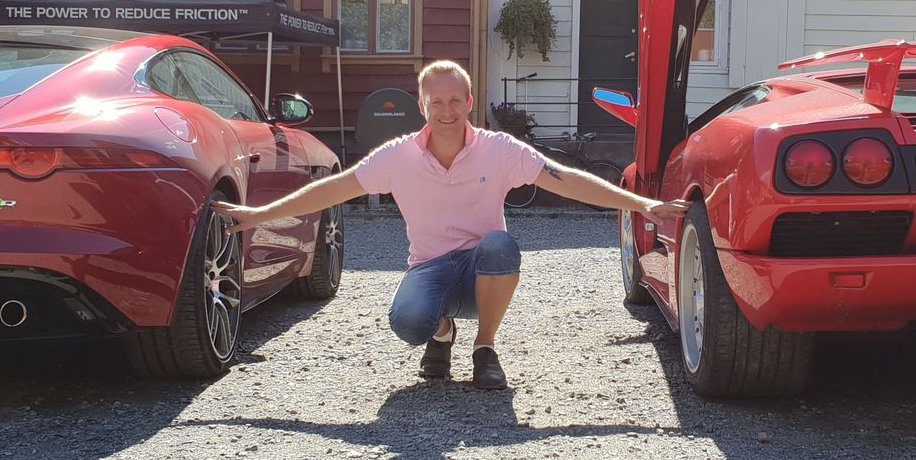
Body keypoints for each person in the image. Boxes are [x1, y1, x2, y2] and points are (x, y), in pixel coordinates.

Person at [216, 60, 686, 390]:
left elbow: (565, 179)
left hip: (483, 267)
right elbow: (332, 189)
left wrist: (641, 204)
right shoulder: (397, 156)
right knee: (407, 322)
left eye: (455, 101)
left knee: (501, 244)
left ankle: (485, 349)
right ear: (423, 106)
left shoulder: (500, 150)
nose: (447, 111)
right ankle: (441, 332)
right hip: (430, 269)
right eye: (436, 102)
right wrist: (259, 215)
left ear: (469, 102)